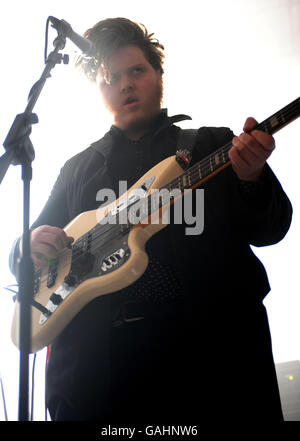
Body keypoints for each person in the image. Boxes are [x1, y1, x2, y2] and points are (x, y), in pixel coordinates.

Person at [9, 17, 292, 423]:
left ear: (158, 75)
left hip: (212, 362)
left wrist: (251, 179)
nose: (125, 84)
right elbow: (29, 255)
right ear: (98, 91)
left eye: (136, 71)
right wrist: (28, 244)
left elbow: (272, 228)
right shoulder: (76, 170)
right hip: (96, 374)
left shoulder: (214, 144)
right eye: (111, 78)